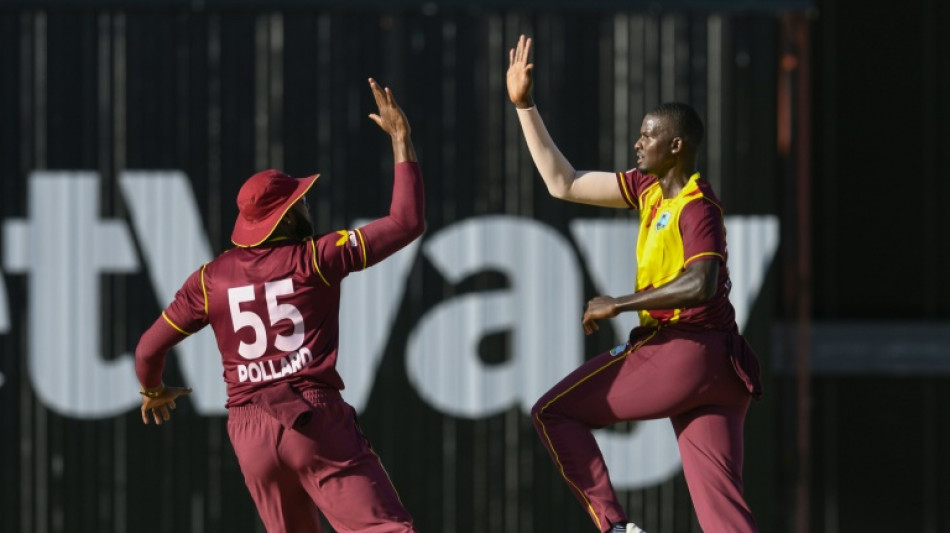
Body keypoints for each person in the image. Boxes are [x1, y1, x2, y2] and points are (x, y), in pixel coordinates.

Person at [133, 78, 424, 533]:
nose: (306, 204)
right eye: (300, 200)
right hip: (312, 420)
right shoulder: (316, 259)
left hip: (249, 434)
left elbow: (148, 350)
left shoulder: (210, 280)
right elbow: (406, 222)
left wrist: (153, 391)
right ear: (287, 216)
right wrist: (402, 139)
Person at [506, 35, 762, 533]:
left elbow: (701, 282)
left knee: (553, 413)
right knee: (724, 517)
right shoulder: (648, 189)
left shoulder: (696, 205)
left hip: (685, 350)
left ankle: (616, 529)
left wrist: (619, 303)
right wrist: (525, 106)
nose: (638, 143)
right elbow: (564, 182)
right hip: (721, 374)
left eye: (648, 136)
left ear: (676, 146)